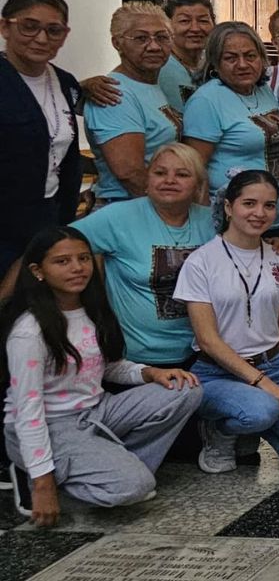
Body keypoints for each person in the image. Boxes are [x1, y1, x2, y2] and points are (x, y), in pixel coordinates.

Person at [4, 226, 201, 527]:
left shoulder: (91, 310)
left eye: (83, 258)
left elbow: (104, 367)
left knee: (185, 388)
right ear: (38, 271)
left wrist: (150, 373)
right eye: (62, 261)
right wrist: (43, 482)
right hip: (51, 424)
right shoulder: (29, 332)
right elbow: (27, 410)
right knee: (135, 487)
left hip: (96, 410)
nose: (77, 268)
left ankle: (110, 464)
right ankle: (35, 474)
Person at [178, 171, 279, 475]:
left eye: (269, 205)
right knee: (263, 408)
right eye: (249, 203)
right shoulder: (201, 262)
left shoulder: (278, 257)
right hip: (217, 374)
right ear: (228, 207)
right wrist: (262, 384)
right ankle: (221, 430)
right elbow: (207, 340)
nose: (260, 213)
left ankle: (252, 423)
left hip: (274, 367)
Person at [73, 144, 219, 366]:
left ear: (199, 184)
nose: (169, 180)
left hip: (205, 355)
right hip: (136, 362)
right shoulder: (117, 217)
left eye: (182, 174)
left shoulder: (214, 221)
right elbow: (55, 245)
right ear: (147, 180)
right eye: (159, 173)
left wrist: (272, 244)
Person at [0, 0, 85, 288]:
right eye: (29, 27)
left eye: (53, 30)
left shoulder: (64, 82)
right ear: (5, 27)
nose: (41, 38)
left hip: (48, 217)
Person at [183, 22, 279, 231]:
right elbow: (195, 171)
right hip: (234, 224)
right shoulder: (206, 100)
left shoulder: (262, 90)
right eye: (231, 58)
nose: (242, 64)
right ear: (215, 63)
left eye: (250, 56)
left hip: (275, 217)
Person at [87, 2, 182, 205]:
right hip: (129, 207)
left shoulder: (149, 84)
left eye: (162, 37)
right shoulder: (113, 92)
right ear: (117, 43)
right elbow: (130, 173)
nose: (154, 46)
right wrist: (171, 210)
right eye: (141, 38)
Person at [160, 0, 216, 108]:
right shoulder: (157, 67)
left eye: (203, 21)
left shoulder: (217, 63)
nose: (195, 28)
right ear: (167, 26)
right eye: (184, 21)